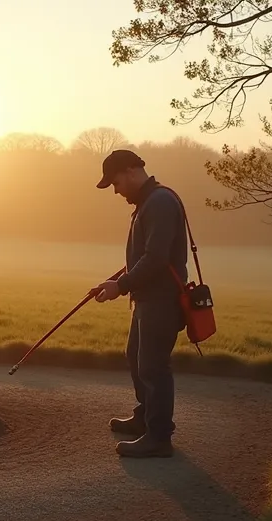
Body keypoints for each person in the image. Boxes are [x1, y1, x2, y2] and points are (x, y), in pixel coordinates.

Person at [91, 149, 188, 458]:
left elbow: (157, 259)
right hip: (148, 297)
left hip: (162, 300)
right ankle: (145, 418)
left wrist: (121, 285)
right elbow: (146, 255)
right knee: (135, 355)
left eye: (116, 182)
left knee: (153, 366)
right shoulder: (149, 202)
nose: (116, 190)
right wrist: (116, 282)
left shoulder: (159, 202)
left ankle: (159, 437)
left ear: (132, 171)